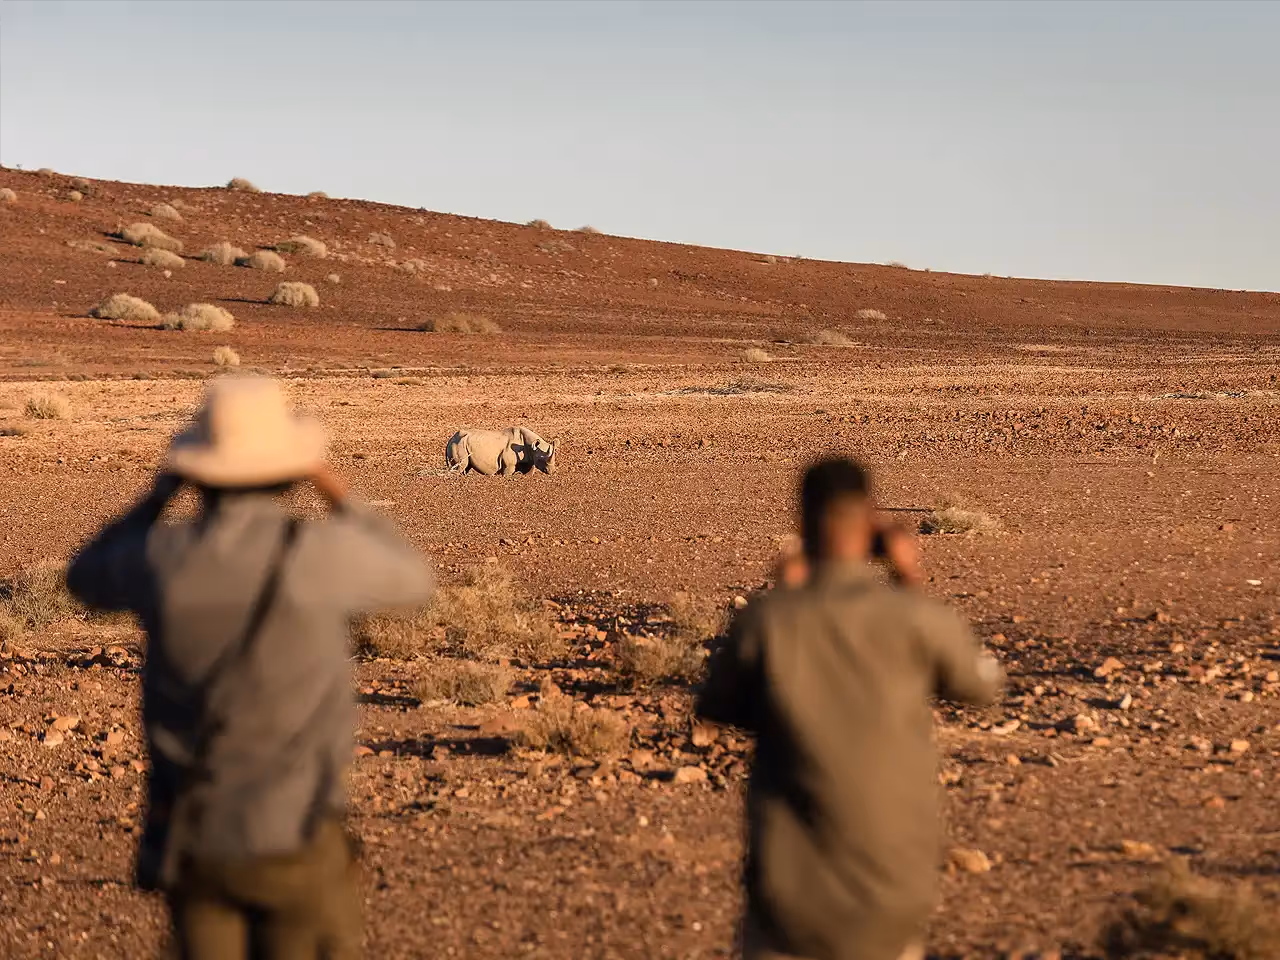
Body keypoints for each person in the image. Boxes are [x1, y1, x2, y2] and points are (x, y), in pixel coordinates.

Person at [66, 375, 435, 960]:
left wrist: (159, 493)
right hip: (298, 835)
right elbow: (413, 577)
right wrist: (329, 482)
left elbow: (83, 575)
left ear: (199, 473)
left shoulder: (162, 559)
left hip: (198, 841)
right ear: (288, 468)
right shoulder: (315, 557)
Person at [696, 457, 1003, 960]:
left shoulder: (769, 622)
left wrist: (786, 593)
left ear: (802, 524)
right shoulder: (915, 622)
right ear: (870, 523)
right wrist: (909, 577)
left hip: (789, 902)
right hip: (892, 901)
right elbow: (980, 685)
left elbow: (717, 705)